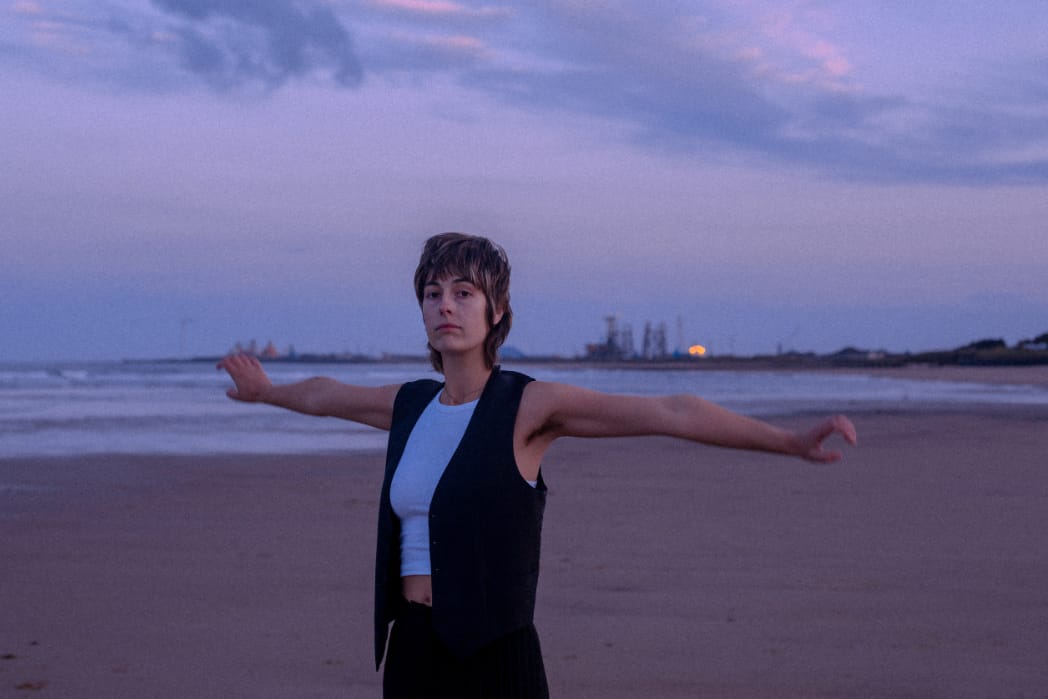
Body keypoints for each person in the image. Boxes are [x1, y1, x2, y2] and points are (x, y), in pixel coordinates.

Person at [217, 232, 857, 698]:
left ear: (496, 313)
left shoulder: (526, 407)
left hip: (495, 658)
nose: (445, 304)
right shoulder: (411, 404)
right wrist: (266, 391)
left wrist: (790, 442)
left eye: (464, 292)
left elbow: (674, 410)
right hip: (413, 650)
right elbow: (328, 395)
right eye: (433, 292)